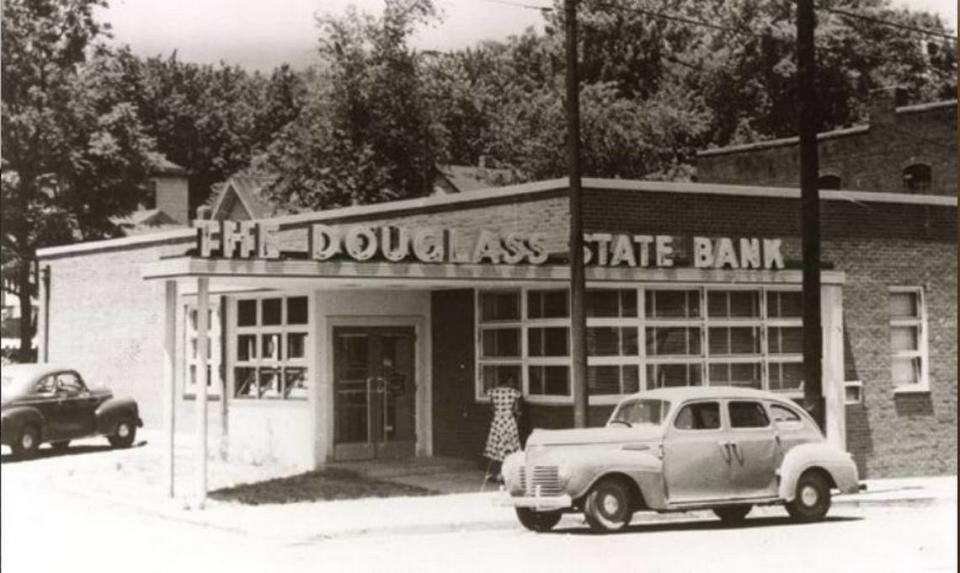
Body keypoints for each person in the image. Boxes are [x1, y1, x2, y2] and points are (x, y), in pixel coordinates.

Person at [483, 379, 523, 483]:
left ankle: (496, 473)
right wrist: (516, 414)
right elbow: (516, 409)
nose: (513, 383)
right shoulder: (514, 392)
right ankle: (508, 474)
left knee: (496, 447)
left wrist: (499, 411)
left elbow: (491, 408)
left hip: (497, 421)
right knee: (510, 446)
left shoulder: (493, 391)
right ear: (509, 379)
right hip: (509, 421)